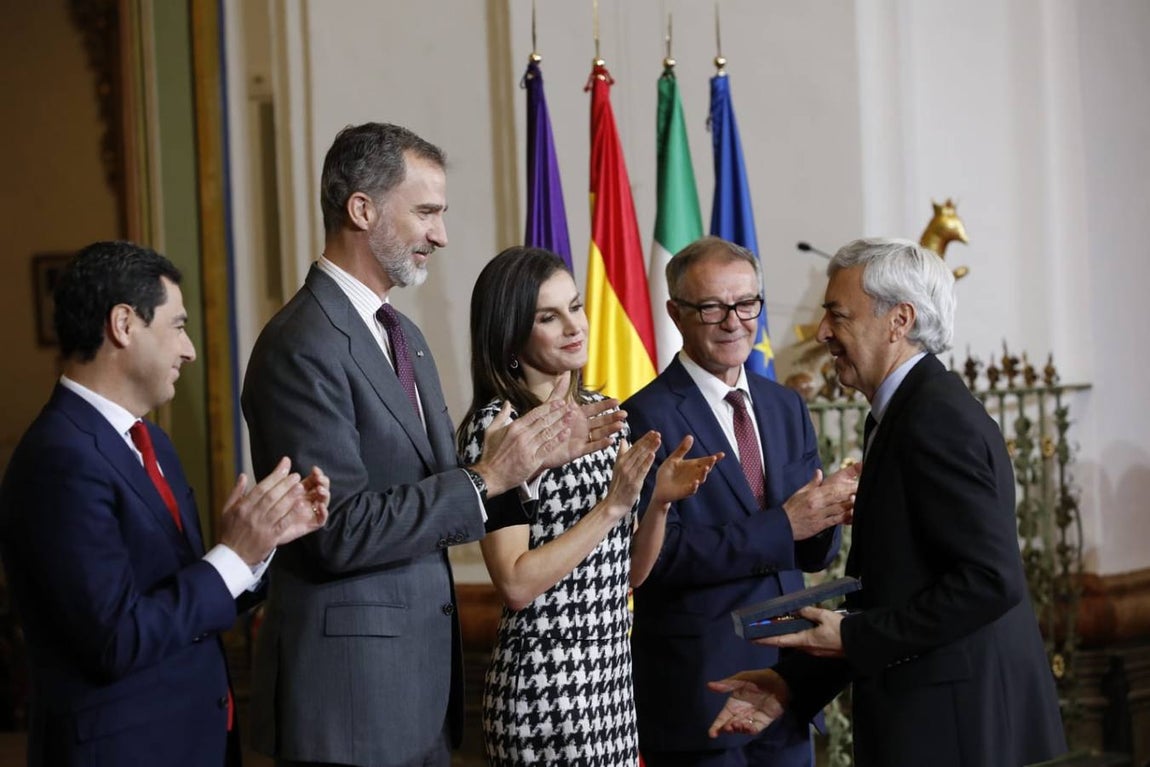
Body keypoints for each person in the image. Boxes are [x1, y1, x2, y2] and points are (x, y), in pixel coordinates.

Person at [241, 123, 617, 767]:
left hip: (417, 696)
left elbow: (449, 487)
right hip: (348, 705)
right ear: (362, 210)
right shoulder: (302, 344)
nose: (440, 235)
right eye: (425, 212)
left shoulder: (403, 336)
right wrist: (489, 476)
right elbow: (336, 531)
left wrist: (528, 464)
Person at [708, 238, 1067, 766]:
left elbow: (990, 581)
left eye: (837, 314)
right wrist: (792, 685)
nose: (822, 332)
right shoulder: (902, 412)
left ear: (899, 320)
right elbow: (896, 590)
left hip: (955, 730)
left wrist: (853, 636)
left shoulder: (936, 419)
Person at [0, 241, 329, 767]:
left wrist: (259, 546)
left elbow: (179, 602)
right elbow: (116, 640)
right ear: (123, 324)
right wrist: (231, 556)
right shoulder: (58, 458)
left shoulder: (153, 443)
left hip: (194, 740)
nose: (190, 350)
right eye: (177, 326)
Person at [456, 246, 722, 766]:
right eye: (548, 317)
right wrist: (612, 508)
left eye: (575, 307)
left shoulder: (601, 414)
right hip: (545, 690)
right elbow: (515, 584)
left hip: (611, 689)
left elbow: (630, 575)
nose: (574, 326)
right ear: (511, 335)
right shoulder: (498, 431)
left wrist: (658, 503)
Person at [623, 236, 858, 767]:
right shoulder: (643, 417)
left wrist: (829, 511)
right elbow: (654, 561)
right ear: (676, 314)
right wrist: (785, 525)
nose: (734, 322)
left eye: (747, 303)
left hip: (789, 681)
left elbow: (812, 554)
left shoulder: (785, 405)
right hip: (700, 690)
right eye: (713, 307)